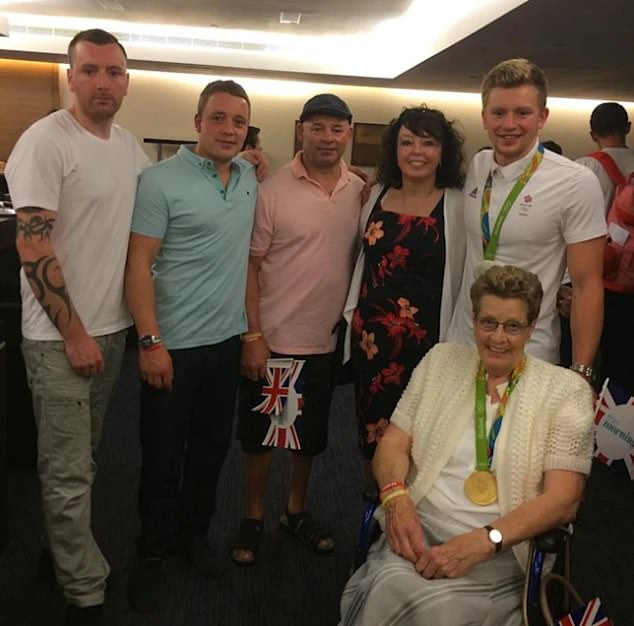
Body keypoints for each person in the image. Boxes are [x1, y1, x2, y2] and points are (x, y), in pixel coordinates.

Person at [339, 265, 595, 625]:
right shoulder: (440, 362)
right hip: (419, 533)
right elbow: (393, 443)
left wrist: (485, 541)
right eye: (488, 322)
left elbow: (563, 500)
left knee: (437, 611)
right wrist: (396, 498)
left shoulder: (564, 391)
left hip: (500, 551)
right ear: (473, 321)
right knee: (387, 587)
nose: (498, 337)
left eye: (513, 326)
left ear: (531, 328)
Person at [5, 29, 148, 626]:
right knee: (65, 470)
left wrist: (236, 162)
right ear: (71, 77)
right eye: (90, 71)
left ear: (126, 82)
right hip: (60, 337)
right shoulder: (46, 141)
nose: (102, 82)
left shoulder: (128, 146)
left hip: (110, 330)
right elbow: (32, 246)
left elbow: (158, 202)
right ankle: (84, 596)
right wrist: (74, 335)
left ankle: (56, 552)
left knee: (80, 459)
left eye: (113, 72)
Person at [124, 80, 258, 610]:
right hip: (171, 344)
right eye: (218, 118)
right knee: (162, 455)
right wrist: (149, 341)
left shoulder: (248, 177)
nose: (228, 129)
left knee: (209, 451)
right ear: (198, 122)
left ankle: (193, 535)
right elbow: (138, 262)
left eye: (239, 121)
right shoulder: (159, 180)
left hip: (224, 345)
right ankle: (153, 551)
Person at [232, 93, 364, 565]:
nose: (327, 138)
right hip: (276, 338)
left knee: (308, 435)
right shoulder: (271, 190)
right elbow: (250, 268)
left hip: (325, 340)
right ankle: (253, 515)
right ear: (299, 130)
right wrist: (253, 335)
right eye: (317, 127)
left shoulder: (359, 190)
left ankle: (295, 510)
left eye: (336, 129)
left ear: (348, 133)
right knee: (262, 435)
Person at [446, 58, 606, 382]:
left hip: (530, 352)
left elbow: (587, 285)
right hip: (462, 343)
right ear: (484, 117)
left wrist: (582, 372)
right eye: (498, 113)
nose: (509, 124)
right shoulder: (478, 166)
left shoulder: (575, 182)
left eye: (522, 113)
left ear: (542, 117)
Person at [342, 106, 465, 460]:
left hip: (429, 344)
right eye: (407, 142)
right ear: (394, 150)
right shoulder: (375, 196)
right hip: (372, 341)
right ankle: (375, 492)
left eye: (428, 143)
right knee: (373, 431)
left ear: (443, 152)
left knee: (422, 438)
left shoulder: (458, 205)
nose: (417, 152)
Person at [576, 102, 634, 393]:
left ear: (592, 133)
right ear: (628, 128)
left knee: (595, 356)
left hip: (595, 276)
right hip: (630, 279)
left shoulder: (584, 168)